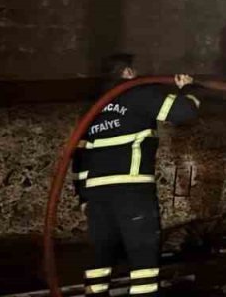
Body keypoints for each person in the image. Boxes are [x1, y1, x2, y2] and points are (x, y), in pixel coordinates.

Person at [72, 53, 199, 296]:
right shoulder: (137, 94)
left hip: (97, 196)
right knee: (143, 262)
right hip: (131, 192)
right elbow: (184, 112)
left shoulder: (92, 108)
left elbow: (78, 158)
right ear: (128, 73)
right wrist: (190, 88)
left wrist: (83, 199)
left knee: (100, 259)